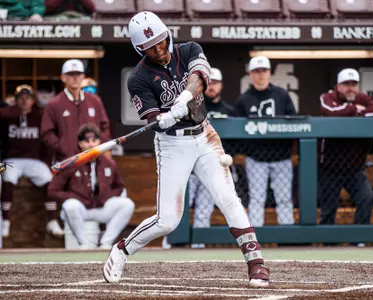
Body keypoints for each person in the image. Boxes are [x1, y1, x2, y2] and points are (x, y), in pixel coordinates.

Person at [102, 11, 269, 288]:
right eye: (149, 47)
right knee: (168, 221)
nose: (158, 50)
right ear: (139, 50)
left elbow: (201, 75)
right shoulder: (138, 78)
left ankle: (256, 264)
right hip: (172, 144)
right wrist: (162, 119)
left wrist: (183, 99)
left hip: (205, 135)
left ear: (167, 35)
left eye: (160, 41)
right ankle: (122, 249)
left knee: (228, 198)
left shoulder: (189, 49)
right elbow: (152, 120)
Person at [48, 124, 135, 250]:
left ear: (99, 142)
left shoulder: (108, 163)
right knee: (70, 205)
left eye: (94, 141)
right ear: (80, 144)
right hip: (81, 209)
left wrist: (105, 198)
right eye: (87, 141)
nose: (91, 145)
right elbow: (53, 191)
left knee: (127, 204)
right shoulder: (71, 163)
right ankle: (83, 244)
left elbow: (119, 187)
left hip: (101, 207)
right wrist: (75, 197)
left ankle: (106, 243)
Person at [232, 56, 296, 227]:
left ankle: (286, 237)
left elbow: (294, 123)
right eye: (256, 72)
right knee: (256, 199)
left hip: (281, 157)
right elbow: (237, 130)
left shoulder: (282, 95)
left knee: (284, 199)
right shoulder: (243, 99)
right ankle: (255, 238)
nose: (260, 75)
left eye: (264, 71)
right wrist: (249, 151)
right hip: (256, 159)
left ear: (269, 73)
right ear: (250, 75)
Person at [319, 69, 373, 230]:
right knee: (329, 207)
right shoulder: (328, 97)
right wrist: (356, 109)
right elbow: (330, 112)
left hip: (355, 168)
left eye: (353, 84)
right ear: (338, 86)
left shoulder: (364, 98)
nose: (350, 88)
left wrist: (350, 110)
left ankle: (359, 239)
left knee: (366, 198)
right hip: (330, 167)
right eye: (346, 84)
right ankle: (328, 243)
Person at [0, 85, 64, 238]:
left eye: (27, 97)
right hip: (11, 159)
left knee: (49, 179)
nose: (24, 101)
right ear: (15, 100)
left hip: (33, 160)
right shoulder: (7, 115)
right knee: (7, 178)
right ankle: (6, 222)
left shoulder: (39, 116)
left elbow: (47, 142)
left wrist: (47, 162)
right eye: (21, 98)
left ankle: (52, 221)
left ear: (33, 100)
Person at [188, 67, 233, 248]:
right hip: (191, 166)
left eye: (215, 83)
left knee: (204, 209)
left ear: (221, 85)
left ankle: (198, 246)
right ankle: (170, 244)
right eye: (209, 83)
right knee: (179, 207)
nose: (212, 86)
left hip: (213, 166)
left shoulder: (229, 109)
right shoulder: (193, 105)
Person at [40, 59, 111, 163]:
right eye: (71, 74)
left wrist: (98, 145)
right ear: (63, 78)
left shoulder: (94, 100)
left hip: (92, 157)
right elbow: (46, 132)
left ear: (83, 76)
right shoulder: (54, 104)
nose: (75, 78)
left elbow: (105, 126)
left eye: (78, 74)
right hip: (66, 160)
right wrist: (62, 147)